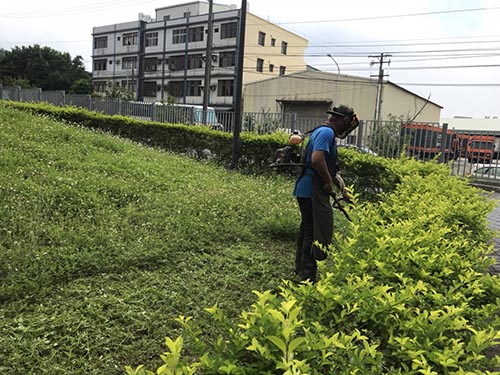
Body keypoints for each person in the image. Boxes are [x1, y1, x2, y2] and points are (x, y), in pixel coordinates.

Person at [293, 105, 359, 282]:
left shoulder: (324, 132)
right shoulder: (326, 133)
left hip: (307, 189)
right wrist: (328, 182)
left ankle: (300, 268)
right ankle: (307, 277)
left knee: (307, 228)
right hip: (311, 190)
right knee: (313, 233)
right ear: (343, 120)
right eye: (348, 123)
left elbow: (332, 169)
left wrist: (343, 190)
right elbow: (317, 159)